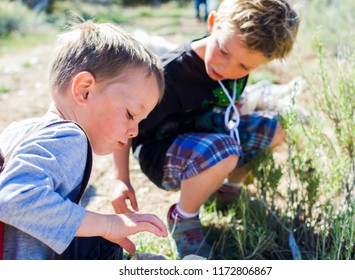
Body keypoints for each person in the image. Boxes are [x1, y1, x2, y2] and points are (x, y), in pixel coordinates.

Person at [112, 0, 300, 259]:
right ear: (212, 24)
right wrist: (121, 179)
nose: (227, 69)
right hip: (161, 153)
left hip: (210, 142)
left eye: (244, 67)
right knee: (224, 150)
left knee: (276, 126)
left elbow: (230, 107)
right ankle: (184, 218)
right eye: (223, 51)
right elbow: (123, 126)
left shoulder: (235, 69)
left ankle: (226, 191)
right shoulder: (168, 74)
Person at [0, 20, 167, 260]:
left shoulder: (19, 129)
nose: (134, 131)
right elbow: (13, 197)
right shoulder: (70, 137)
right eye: (131, 114)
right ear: (84, 90)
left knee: (96, 240)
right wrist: (108, 225)